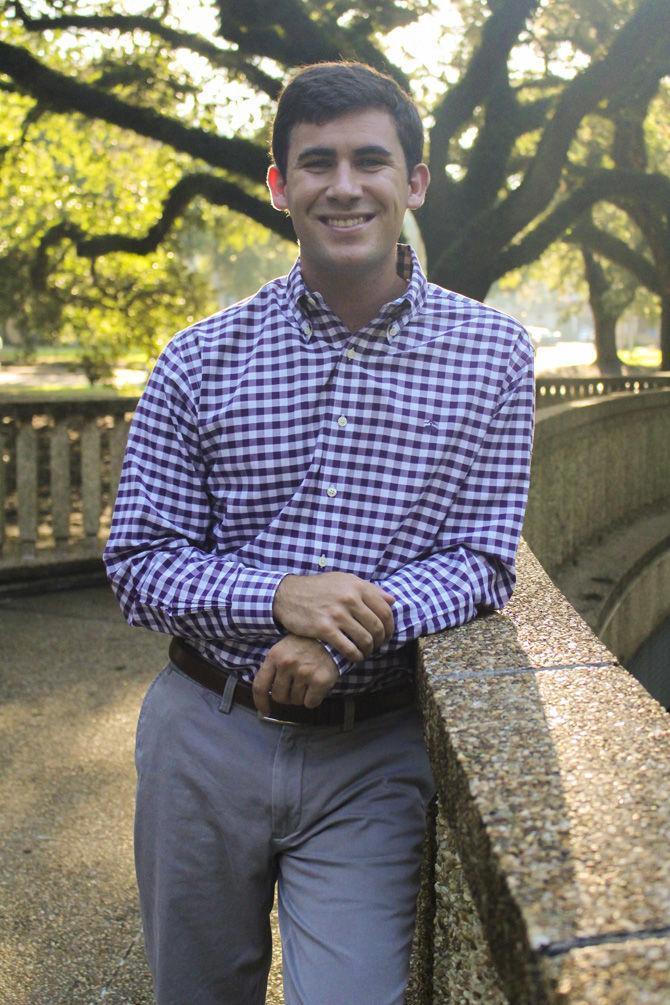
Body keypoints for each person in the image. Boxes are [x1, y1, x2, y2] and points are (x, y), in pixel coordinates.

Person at [104, 60, 534, 1005]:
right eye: (318, 163)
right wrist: (277, 595)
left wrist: (349, 626)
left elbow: (482, 558)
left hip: (372, 752)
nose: (345, 187)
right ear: (279, 186)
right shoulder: (198, 358)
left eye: (372, 161)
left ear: (413, 182)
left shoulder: (493, 354)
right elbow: (138, 562)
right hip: (202, 737)